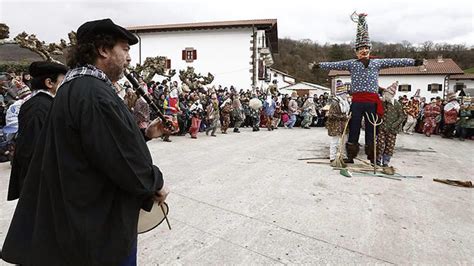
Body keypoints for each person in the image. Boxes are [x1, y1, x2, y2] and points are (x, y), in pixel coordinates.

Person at [1, 18, 170, 266]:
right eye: (124, 49)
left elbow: (99, 146)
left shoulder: (76, 88)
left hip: (77, 223)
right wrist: (155, 182)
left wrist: (145, 135)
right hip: (95, 230)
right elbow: (120, 159)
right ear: (103, 50)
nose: (129, 58)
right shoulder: (93, 93)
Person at [312, 12, 422, 163]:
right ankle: (351, 155)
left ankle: (372, 155)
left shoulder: (377, 63)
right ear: (355, 51)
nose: (363, 51)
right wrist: (319, 65)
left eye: (366, 48)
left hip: (371, 102)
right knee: (354, 128)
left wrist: (413, 62)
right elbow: (334, 64)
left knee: (371, 130)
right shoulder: (351, 63)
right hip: (357, 102)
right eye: (360, 48)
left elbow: (396, 61)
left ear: (370, 49)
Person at [7, 61, 68, 201]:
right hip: (40, 187)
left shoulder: (43, 104)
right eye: (62, 82)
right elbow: (32, 151)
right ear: (49, 83)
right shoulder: (39, 108)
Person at [376, 82, 406, 167]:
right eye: (384, 93)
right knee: (380, 144)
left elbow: (402, 116)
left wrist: (394, 125)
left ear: (391, 94)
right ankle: (377, 160)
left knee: (390, 146)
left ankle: (385, 162)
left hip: (392, 129)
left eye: (386, 94)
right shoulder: (382, 102)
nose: (384, 95)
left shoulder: (397, 104)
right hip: (382, 127)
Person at [326, 84, 350, 165]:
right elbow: (331, 115)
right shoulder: (335, 103)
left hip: (343, 124)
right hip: (335, 125)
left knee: (344, 141)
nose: (346, 95)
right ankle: (332, 157)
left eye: (346, 93)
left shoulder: (345, 102)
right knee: (334, 141)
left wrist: (347, 116)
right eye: (344, 93)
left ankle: (342, 156)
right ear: (340, 94)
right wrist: (344, 116)